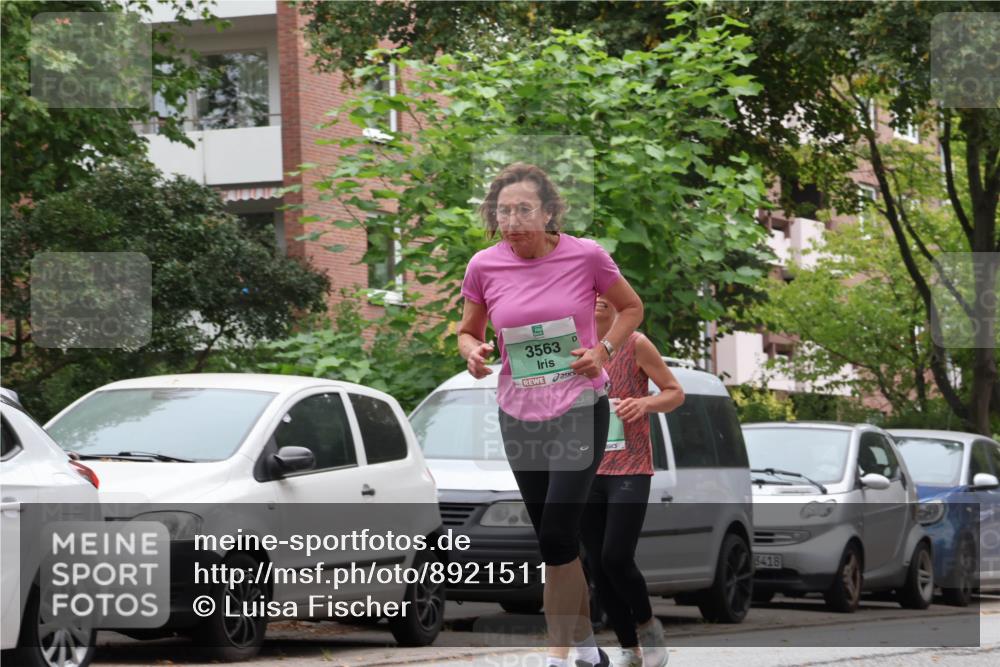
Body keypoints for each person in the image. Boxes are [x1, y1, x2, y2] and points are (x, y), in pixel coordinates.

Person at [458, 162, 644, 667]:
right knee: (553, 542)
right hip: (518, 413)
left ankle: (557, 655)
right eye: (504, 211)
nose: (513, 220)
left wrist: (603, 350)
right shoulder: (483, 265)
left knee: (560, 533)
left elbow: (631, 308)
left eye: (523, 210)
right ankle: (587, 649)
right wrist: (473, 352)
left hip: (580, 407)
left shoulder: (586, 256)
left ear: (549, 212)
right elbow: (467, 330)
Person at [581, 297, 685, 667]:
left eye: (606, 296)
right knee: (596, 564)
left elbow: (675, 392)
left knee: (616, 556)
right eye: (591, 295)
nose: (597, 301)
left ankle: (647, 628)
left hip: (630, 468)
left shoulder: (637, 344)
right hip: (587, 468)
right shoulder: (577, 344)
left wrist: (644, 405)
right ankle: (629, 648)